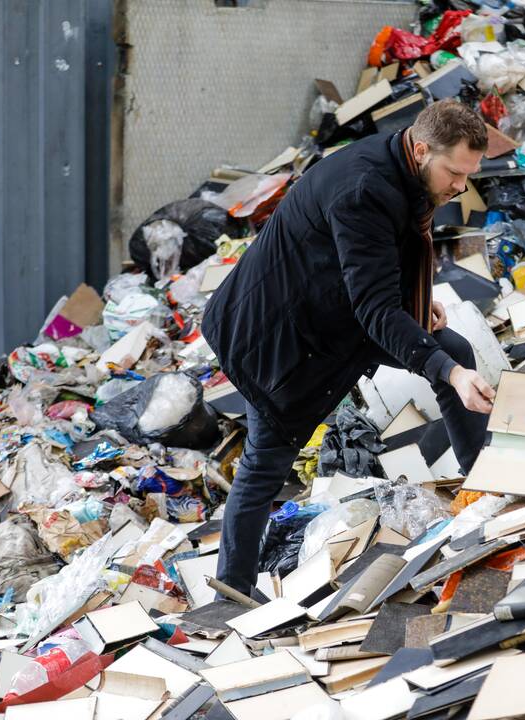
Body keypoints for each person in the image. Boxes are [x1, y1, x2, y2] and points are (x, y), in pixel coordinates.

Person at [202, 100, 497, 595]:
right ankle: (228, 594)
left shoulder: (406, 166)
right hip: (274, 334)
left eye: (468, 175)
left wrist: (417, 303)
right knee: (266, 459)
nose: (460, 187)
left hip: (334, 314)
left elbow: (379, 265)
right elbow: (376, 311)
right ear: (422, 149)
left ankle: (484, 491)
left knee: (453, 348)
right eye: (454, 173)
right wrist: (446, 372)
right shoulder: (366, 188)